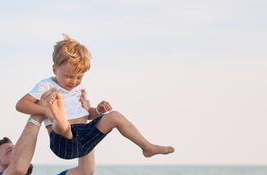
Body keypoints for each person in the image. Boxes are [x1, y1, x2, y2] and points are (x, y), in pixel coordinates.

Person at [16, 34, 175, 160]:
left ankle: (147, 147)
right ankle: (60, 117)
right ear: (54, 69)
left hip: (84, 138)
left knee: (115, 116)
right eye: (69, 76)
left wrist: (98, 111)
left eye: (79, 77)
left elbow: (88, 115)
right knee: (62, 124)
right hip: (62, 142)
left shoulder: (80, 88)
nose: (74, 82)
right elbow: (21, 105)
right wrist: (47, 111)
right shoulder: (46, 85)